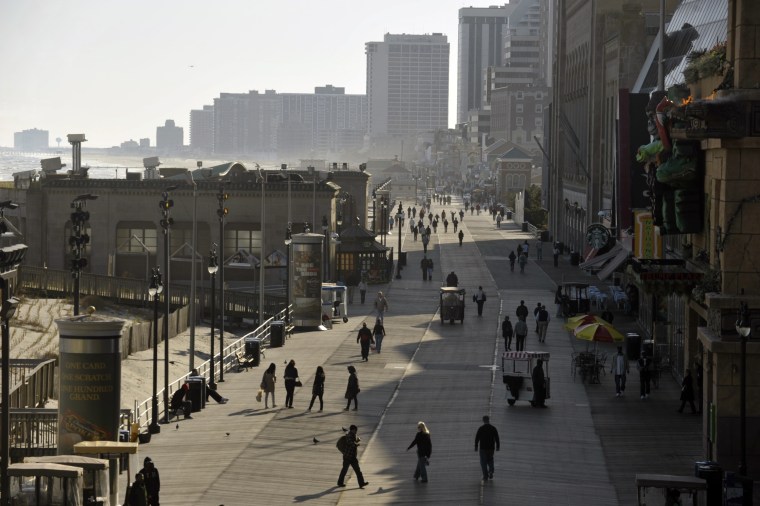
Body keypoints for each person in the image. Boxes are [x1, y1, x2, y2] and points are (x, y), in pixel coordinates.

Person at [474, 415, 500, 482]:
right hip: (491, 448)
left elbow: (477, 437)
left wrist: (476, 446)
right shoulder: (493, 428)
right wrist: (498, 446)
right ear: (488, 420)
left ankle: (485, 476)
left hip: (483, 448)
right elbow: (497, 437)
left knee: (483, 462)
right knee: (490, 460)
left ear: (483, 420)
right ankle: (491, 470)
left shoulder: (481, 428)